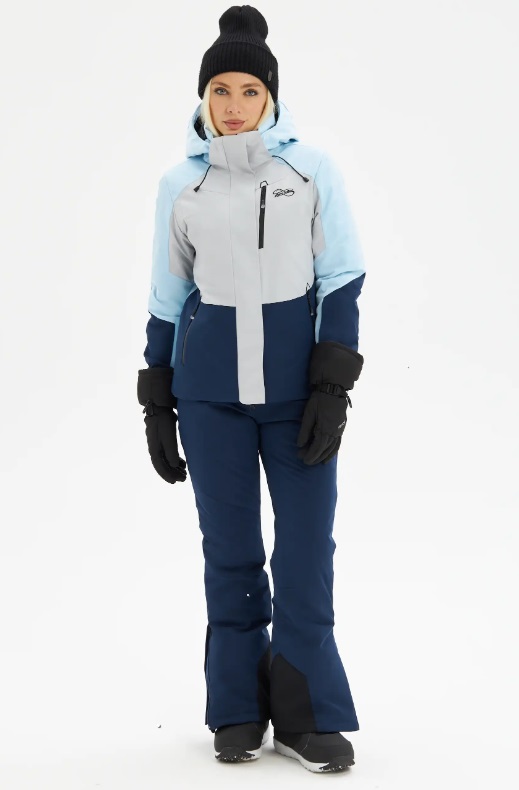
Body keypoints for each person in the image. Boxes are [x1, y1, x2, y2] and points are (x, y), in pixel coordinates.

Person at [137, 4, 366, 774]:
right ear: (202, 98)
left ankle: (305, 714)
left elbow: (341, 276)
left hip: (295, 394)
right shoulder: (181, 183)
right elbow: (167, 295)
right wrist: (157, 398)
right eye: (220, 91)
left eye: (249, 91)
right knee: (230, 553)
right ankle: (236, 706)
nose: (233, 106)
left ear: (271, 97)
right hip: (210, 398)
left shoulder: (310, 170)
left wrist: (330, 385)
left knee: (303, 551)